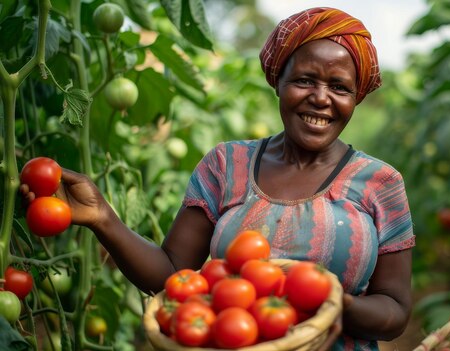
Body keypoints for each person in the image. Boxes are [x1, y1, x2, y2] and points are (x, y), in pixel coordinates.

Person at [23, 7, 415, 350]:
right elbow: (173, 274)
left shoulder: (380, 182)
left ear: (357, 96)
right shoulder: (226, 165)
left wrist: (334, 304)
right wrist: (101, 217)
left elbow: (395, 311)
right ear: (277, 81)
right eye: (304, 80)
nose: (321, 98)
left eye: (339, 87)